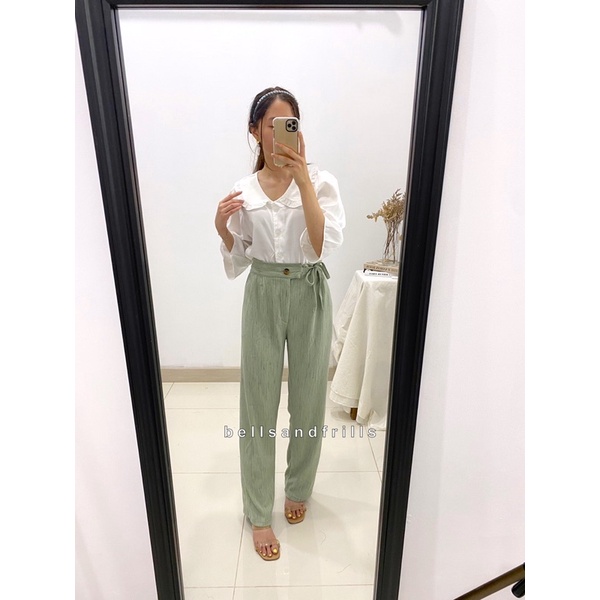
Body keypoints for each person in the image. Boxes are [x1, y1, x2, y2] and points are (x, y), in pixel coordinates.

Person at [214, 86, 345, 561]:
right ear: (254, 130)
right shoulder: (243, 191)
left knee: (309, 401)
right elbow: (241, 257)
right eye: (271, 124)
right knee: (258, 406)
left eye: (289, 123)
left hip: (309, 291)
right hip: (264, 293)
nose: (279, 132)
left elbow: (321, 244)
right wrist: (220, 225)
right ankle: (257, 511)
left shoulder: (321, 182)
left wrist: (303, 180)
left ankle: (298, 487)